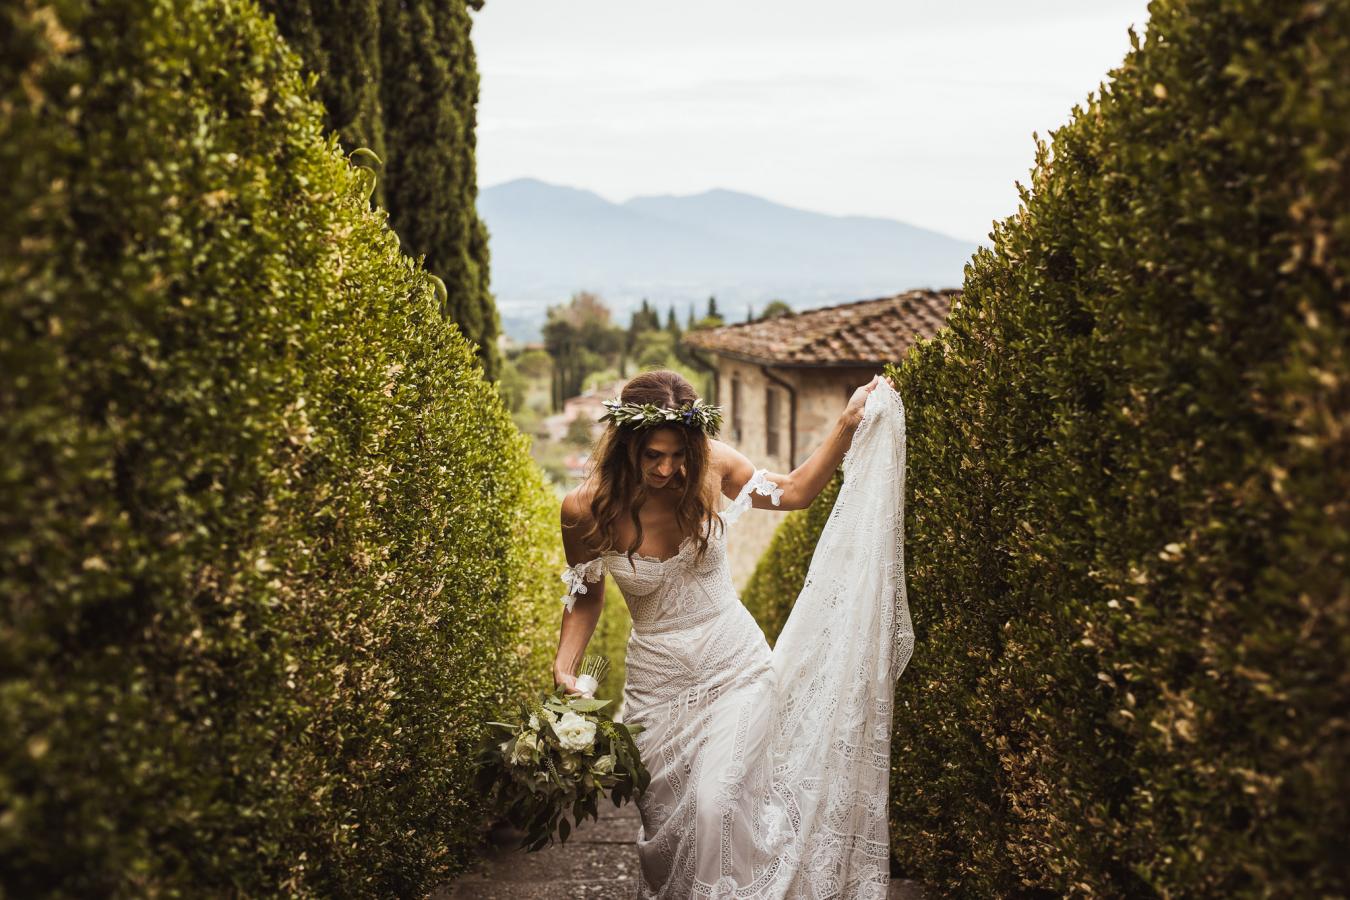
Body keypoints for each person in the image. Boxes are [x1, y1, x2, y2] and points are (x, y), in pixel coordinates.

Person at [556, 368, 911, 899]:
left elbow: (794, 492)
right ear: (627, 445)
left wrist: (844, 424)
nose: (668, 468)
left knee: (716, 803)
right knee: (669, 832)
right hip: (656, 688)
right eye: (653, 454)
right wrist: (566, 665)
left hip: (735, 667)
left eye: (678, 453)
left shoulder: (712, 468)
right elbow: (587, 595)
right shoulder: (585, 509)